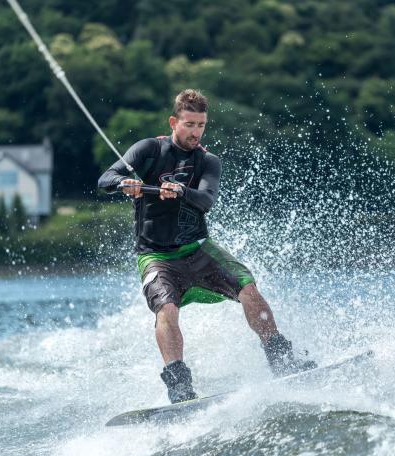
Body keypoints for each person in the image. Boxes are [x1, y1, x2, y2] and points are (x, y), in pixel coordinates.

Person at [98, 89, 316, 403]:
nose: (195, 132)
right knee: (167, 309)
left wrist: (181, 191)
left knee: (248, 288)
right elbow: (105, 178)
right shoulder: (148, 150)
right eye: (189, 124)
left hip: (198, 248)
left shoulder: (207, 161)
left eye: (201, 125)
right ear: (174, 122)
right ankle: (178, 385)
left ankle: (281, 359)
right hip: (156, 256)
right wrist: (124, 183)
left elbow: (207, 200)